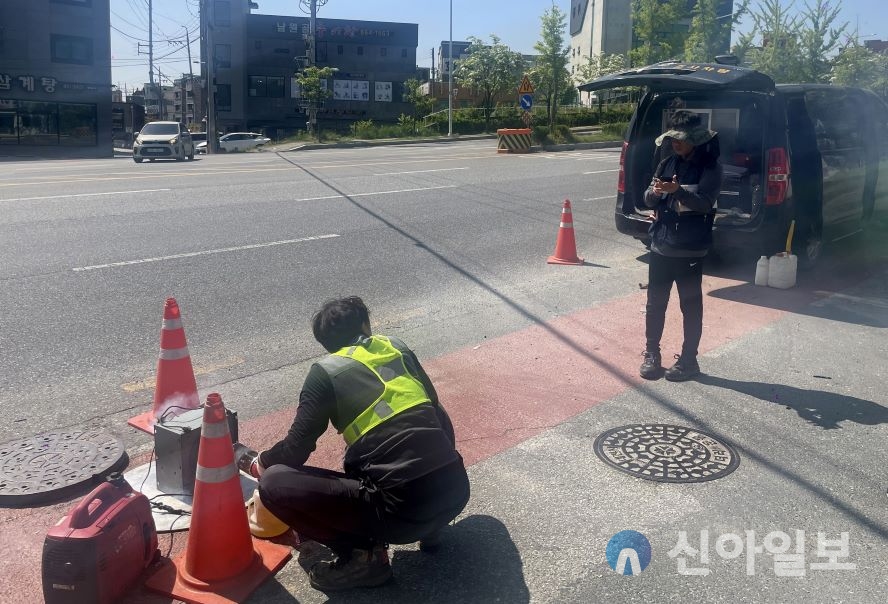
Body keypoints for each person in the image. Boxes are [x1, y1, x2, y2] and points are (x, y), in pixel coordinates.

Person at [249, 296, 470, 591]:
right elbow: (432, 403)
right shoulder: (397, 348)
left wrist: (260, 461)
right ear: (366, 324)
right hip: (455, 494)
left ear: (326, 345)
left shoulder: (326, 371)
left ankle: (363, 558)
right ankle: (432, 530)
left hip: (401, 517)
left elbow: (294, 451)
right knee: (431, 411)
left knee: (274, 481)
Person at [639, 110, 723, 382]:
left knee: (690, 305)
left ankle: (689, 360)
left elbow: (704, 203)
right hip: (661, 244)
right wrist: (655, 193)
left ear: (696, 140)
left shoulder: (710, 167)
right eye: (673, 139)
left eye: (681, 139)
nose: (675, 144)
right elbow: (648, 199)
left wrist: (679, 192)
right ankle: (652, 354)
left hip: (690, 247)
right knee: (655, 303)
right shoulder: (666, 163)